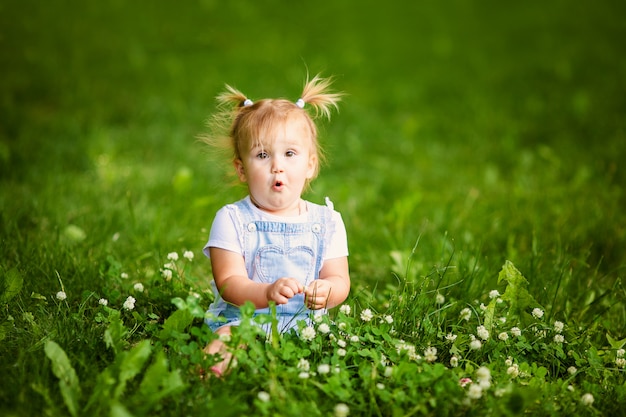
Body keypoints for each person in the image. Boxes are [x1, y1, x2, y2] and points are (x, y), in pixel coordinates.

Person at [202, 75, 350, 377]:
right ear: (242, 169)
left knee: (339, 354)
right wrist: (266, 291)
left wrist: (328, 290)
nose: (277, 165)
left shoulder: (328, 221)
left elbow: (339, 278)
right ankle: (208, 377)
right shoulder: (231, 219)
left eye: (290, 154)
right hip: (245, 321)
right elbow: (228, 282)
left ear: (310, 165)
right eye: (262, 155)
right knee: (228, 341)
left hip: (307, 327)